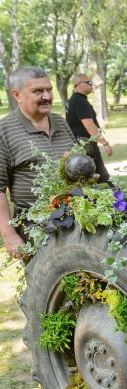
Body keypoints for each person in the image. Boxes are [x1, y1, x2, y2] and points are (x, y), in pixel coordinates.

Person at [0, 66, 76, 258]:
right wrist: (9, 235)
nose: (47, 96)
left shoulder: (60, 122)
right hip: (36, 227)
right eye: (38, 91)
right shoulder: (5, 131)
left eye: (49, 90)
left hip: (75, 220)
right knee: (48, 285)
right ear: (17, 95)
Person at [66, 73, 113, 185]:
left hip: (80, 146)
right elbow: (89, 126)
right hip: (86, 146)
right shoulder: (80, 101)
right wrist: (105, 143)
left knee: (87, 181)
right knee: (102, 179)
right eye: (89, 82)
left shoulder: (73, 100)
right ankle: (118, 201)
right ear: (78, 84)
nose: (92, 84)